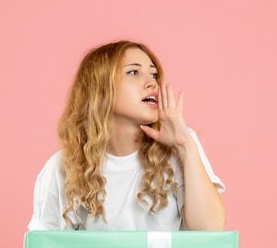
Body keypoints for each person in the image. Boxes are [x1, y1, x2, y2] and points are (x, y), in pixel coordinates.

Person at [28, 40, 225, 231]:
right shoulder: (63, 167)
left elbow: (210, 229)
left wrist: (185, 145)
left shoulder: (179, 148)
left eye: (154, 74)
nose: (152, 84)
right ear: (101, 89)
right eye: (134, 72)